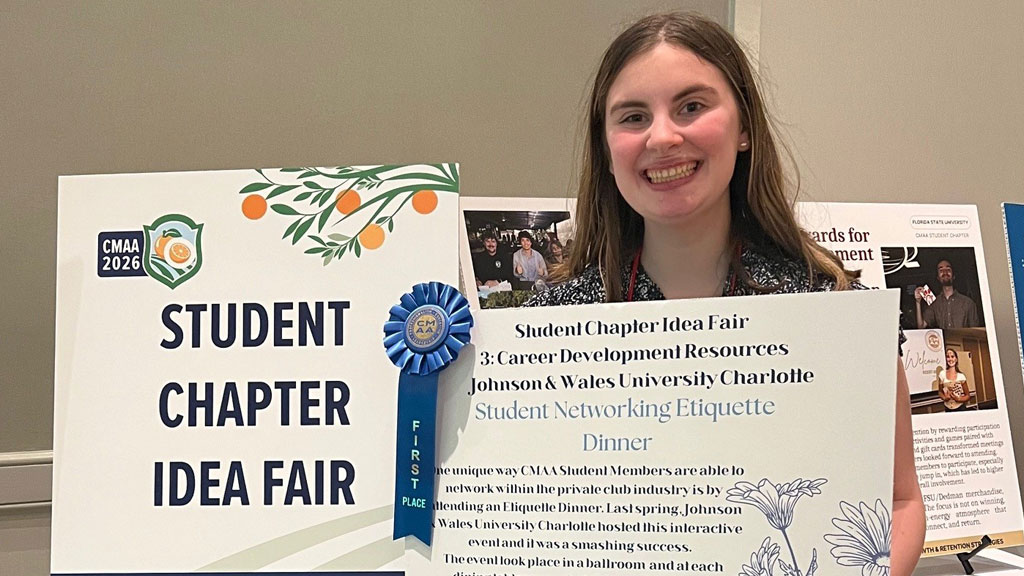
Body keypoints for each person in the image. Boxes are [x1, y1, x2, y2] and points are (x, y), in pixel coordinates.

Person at [524, 12, 924, 575]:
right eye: (633, 116)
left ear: (743, 128)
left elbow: (901, 502)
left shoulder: (833, 311)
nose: (662, 136)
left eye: (691, 106)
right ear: (607, 147)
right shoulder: (547, 326)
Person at [914, 260, 980, 329]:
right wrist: (918, 302)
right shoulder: (935, 303)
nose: (945, 272)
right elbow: (921, 326)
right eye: (941, 270)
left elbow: (976, 332)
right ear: (938, 278)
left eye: (948, 269)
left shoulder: (968, 303)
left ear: (953, 276)